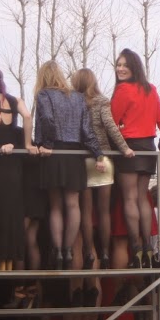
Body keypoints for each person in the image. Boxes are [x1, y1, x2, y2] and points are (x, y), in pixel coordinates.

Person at [111, 48, 160, 268]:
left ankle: (136, 247)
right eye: (118, 65)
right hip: (148, 147)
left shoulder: (122, 90)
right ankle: (148, 247)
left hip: (128, 147)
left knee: (130, 198)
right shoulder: (150, 89)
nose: (120, 69)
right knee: (143, 197)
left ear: (134, 67)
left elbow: (112, 122)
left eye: (125, 65)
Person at [34, 60, 103, 270]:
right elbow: (86, 130)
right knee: (73, 205)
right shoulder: (78, 97)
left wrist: (46, 144)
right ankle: (68, 249)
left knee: (56, 205)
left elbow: (47, 119)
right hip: (74, 154)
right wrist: (98, 153)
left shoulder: (44, 95)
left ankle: (57, 250)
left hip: (53, 152)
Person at [71, 68, 133, 271]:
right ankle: (105, 252)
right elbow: (110, 125)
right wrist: (124, 148)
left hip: (82, 159)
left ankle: (89, 252)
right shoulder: (101, 101)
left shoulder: (73, 102)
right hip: (103, 158)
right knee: (104, 210)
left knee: (86, 211)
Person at [0, 67, 35, 274]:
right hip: (12, 164)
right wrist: (28, 144)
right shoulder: (14, 100)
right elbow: (28, 117)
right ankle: (6, 269)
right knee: (10, 214)